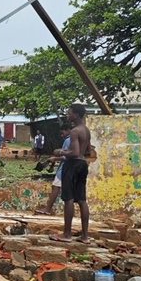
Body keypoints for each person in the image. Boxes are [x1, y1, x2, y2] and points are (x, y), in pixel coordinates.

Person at [50, 103, 91, 243]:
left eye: (69, 113)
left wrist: (60, 152)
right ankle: (85, 235)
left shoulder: (74, 131)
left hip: (72, 165)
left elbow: (74, 153)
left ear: (76, 115)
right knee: (82, 200)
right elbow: (86, 152)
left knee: (69, 199)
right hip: (82, 164)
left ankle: (66, 234)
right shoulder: (86, 130)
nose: (68, 115)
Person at [34, 124, 70, 215]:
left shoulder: (68, 140)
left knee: (55, 187)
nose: (62, 136)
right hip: (68, 169)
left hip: (64, 168)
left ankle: (48, 208)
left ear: (67, 130)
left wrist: (55, 158)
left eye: (62, 133)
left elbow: (67, 156)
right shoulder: (72, 140)